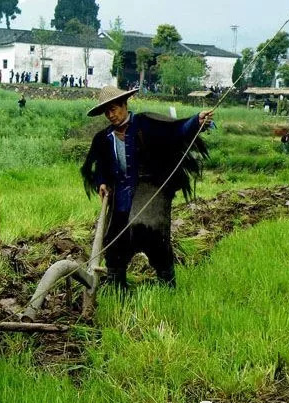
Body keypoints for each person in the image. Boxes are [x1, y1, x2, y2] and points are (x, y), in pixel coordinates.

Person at [80, 86, 213, 293]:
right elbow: (101, 168)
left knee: (151, 232)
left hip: (150, 190)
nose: (111, 115)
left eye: (114, 109)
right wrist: (102, 182)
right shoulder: (103, 138)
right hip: (121, 196)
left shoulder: (146, 124)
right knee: (115, 239)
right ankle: (117, 287)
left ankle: (167, 286)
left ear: (125, 105)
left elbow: (176, 130)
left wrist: (196, 121)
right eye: (107, 112)